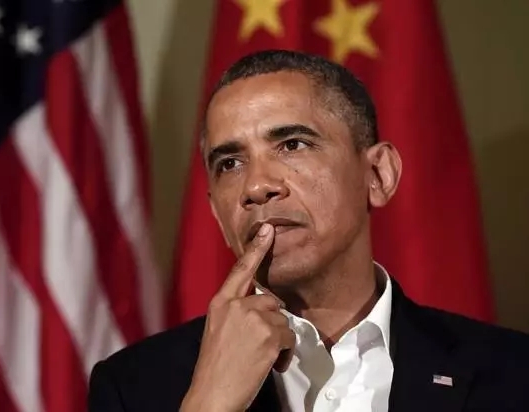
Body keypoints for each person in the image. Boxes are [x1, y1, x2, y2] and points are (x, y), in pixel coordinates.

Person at [87, 50, 529, 412]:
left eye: (292, 144)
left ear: (378, 175)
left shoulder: (514, 374)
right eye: (230, 163)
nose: (256, 186)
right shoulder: (133, 387)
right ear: (217, 215)